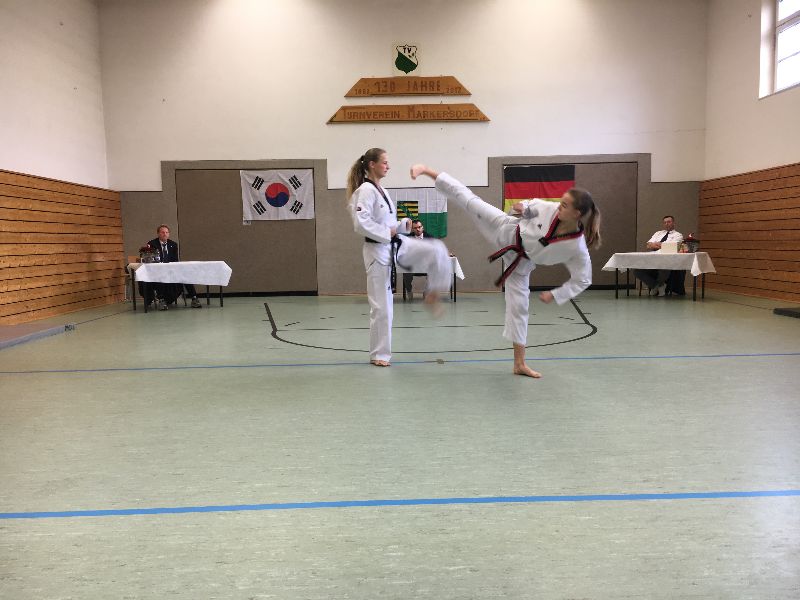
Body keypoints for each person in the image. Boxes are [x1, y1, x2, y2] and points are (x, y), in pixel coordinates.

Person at [411, 163, 601, 378]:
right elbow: (531, 205)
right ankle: (427, 170)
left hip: (520, 263)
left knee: (519, 308)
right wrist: (523, 207)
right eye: (561, 202)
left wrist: (557, 294)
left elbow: (583, 279)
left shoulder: (576, 248)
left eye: (565, 205)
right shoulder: (550, 209)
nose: (559, 207)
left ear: (577, 214)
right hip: (506, 229)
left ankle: (519, 364)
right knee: (469, 200)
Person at [347, 149, 453, 367]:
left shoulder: (382, 190)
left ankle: (432, 293)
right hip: (377, 252)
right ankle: (379, 354)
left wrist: (402, 225)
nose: (388, 166)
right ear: (372, 165)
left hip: (396, 245)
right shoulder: (365, 190)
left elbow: (388, 225)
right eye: (385, 162)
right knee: (382, 307)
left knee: (437, 249)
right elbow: (361, 224)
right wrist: (389, 231)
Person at [142, 224, 203, 310]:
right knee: (160, 276)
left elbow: (175, 260)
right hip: (158, 270)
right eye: (163, 232)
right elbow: (150, 259)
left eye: (167, 232)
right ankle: (161, 300)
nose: (165, 234)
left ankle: (194, 298)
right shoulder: (152, 244)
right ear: (158, 233)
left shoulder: (173, 244)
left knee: (186, 275)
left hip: (171, 269)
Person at [634, 215, 685, 296]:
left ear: (673, 223)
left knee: (664, 266)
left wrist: (656, 244)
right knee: (637, 271)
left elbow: (672, 247)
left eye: (669, 222)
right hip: (653, 258)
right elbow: (648, 245)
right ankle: (655, 285)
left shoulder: (678, 235)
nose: (666, 224)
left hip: (667, 260)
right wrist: (662, 245)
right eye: (665, 222)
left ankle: (660, 285)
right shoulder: (658, 233)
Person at [402, 219, 426, 299]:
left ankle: (427, 291)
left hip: (426, 265)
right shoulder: (407, 238)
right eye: (415, 228)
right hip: (412, 265)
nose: (418, 229)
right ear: (412, 229)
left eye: (419, 227)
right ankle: (409, 290)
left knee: (434, 271)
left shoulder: (430, 237)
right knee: (406, 271)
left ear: (422, 227)